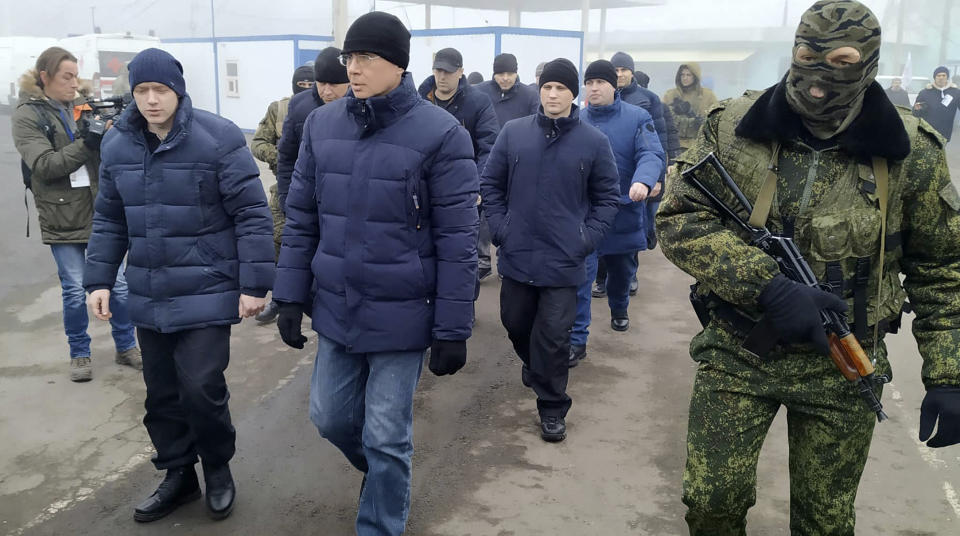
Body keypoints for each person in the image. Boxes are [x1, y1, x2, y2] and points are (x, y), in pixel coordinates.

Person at [656, 2, 960, 534]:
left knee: (825, 522)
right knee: (710, 502)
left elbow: (944, 269)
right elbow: (679, 219)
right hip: (739, 348)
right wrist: (767, 286)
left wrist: (950, 374)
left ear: (867, 62)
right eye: (806, 54)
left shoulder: (913, 153)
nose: (819, 77)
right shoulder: (733, 128)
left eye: (840, 59)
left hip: (845, 361)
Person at [272, 12, 479, 535]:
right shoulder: (322, 125)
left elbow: (458, 242)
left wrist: (453, 328)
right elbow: (302, 218)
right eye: (349, 58)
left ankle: (381, 521)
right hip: (338, 302)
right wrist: (290, 294)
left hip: (405, 310)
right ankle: (386, 474)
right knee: (329, 417)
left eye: (366, 58)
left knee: (387, 434)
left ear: (398, 65)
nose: (354, 69)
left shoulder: (442, 134)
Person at [83, 48, 275, 523]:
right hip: (149, 291)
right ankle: (179, 475)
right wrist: (99, 279)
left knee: (202, 387)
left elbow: (251, 213)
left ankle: (217, 468)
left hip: (208, 286)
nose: (150, 100)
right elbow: (109, 218)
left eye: (160, 90)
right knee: (162, 394)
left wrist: (254, 283)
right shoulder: (117, 144)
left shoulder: (218, 138)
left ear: (178, 90)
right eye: (142, 91)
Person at [481, 58, 619, 443]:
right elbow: (490, 185)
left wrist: (585, 238)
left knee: (555, 338)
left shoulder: (593, 142)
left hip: (564, 260)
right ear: (539, 91)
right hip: (518, 253)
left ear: (573, 94)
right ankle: (536, 365)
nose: (553, 94)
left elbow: (608, 198)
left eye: (561, 88)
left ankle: (552, 406)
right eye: (547, 88)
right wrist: (501, 228)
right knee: (515, 323)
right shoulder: (514, 133)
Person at [12, 46, 140, 382]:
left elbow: (109, 153)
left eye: (76, 75)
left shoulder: (84, 105)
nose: (74, 83)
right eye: (66, 77)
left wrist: (113, 132)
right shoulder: (28, 115)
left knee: (121, 287)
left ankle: (127, 346)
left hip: (101, 210)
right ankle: (79, 354)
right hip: (62, 215)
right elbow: (44, 165)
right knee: (73, 290)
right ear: (45, 77)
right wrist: (89, 141)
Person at [569, 60, 665, 366]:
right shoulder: (576, 120)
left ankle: (620, 307)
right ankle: (577, 339)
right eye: (590, 82)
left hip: (623, 211)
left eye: (601, 82)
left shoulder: (638, 117)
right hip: (585, 215)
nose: (594, 88)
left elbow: (651, 153)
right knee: (582, 277)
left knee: (621, 273)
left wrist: (644, 179)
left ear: (614, 85)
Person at [418, 47, 499, 281]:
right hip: (424, 187)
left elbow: (489, 147)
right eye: (438, 70)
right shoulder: (418, 100)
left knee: (461, 251)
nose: (442, 76)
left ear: (461, 72)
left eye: (449, 71)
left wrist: (476, 187)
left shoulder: (478, 103)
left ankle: (464, 306)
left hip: (463, 189)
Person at [249, 64, 317, 323]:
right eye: (302, 85)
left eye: (311, 85)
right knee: (278, 242)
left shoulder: (330, 108)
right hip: (284, 186)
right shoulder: (279, 109)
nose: (307, 90)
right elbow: (257, 142)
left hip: (320, 189)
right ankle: (281, 297)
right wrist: (279, 157)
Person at [275, 47, 350, 214]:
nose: (327, 91)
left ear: (349, 81)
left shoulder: (362, 107)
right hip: (308, 203)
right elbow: (287, 159)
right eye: (322, 83)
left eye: (334, 84)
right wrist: (287, 201)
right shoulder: (299, 106)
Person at [662, 62, 718, 153]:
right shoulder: (671, 95)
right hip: (676, 144)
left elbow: (716, 117)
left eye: (689, 75)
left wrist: (702, 121)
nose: (685, 78)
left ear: (695, 76)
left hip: (698, 144)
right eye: (682, 75)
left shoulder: (708, 95)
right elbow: (662, 119)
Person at [476, 53, 540, 127]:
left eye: (510, 74)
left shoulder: (531, 96)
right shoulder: (479, 93)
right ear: (494, 74)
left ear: (516, 74)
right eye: (501, 74)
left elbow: (536, 127)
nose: (505, 78)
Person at [914, 66, 960, 142]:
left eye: (943, 75)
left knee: (939, 152)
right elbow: (916, 113)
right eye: (938, 75)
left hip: (945, 132)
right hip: (927, 131)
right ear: (935, 77)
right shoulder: (925, 92)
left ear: (947, 77)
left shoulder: (955, 92)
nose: (941, 78)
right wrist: (916, 109)